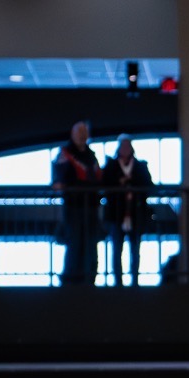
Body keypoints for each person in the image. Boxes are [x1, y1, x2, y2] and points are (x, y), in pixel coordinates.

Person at [101, 136, 155, 286]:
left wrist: (132, 183)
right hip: (116, 214)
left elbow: (149, 186)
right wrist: (120, 183)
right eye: (122, 146)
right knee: (117, 249)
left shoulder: (140, 166)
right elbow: (104, 185)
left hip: (136, 213)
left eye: (128, 145)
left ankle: (135, 281)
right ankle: (118, 282)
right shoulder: (111, 166)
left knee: (135, 249)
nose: (125, 149)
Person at [52, 121, 101, 285]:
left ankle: (90, 280)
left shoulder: (91, 155)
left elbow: (97, 178)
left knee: (91, 247)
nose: (82, 135)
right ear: (72, 134)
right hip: (74, 207)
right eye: (79, 131)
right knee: (74, 245)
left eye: (84, 132)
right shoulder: (65, 154)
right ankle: (71, 283)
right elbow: (59, 178)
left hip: (92, 207)